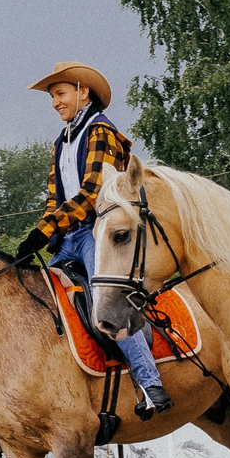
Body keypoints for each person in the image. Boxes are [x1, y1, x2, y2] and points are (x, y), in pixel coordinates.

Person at [15, 62, 168, 415]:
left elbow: (91, 192)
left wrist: (46, 230)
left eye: (60, 93)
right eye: (53, 96)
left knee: (109, 302)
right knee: (43, 304)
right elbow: (54, 198)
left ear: (83, 91)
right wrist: (40, 231)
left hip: (95, 231)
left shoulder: (100, 131)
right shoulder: (61, 142)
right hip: (65, 237)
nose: (55, 102)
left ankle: (151, 384)